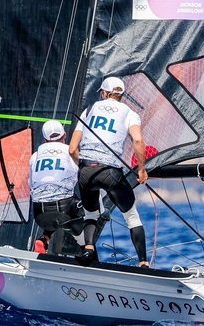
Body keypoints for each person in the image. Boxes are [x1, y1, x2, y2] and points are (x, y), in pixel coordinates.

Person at [69, 76, 149, 268]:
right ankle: (143, 262)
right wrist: (142, 169)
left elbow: (72, 149)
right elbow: (137, 141)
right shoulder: (130, 113)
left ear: (104, 94)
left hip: (86, 171)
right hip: (111, 173)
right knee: (131, 216)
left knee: (91, 214)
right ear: (121, 95)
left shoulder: (89, 110)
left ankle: (88, 249)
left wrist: (87, 166)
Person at [29, 119, 84, 254]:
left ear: (45, 140)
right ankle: (89, 253)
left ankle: (44, 238)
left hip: (39, 214)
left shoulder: (35, 156)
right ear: (65, 135)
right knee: (88, 226)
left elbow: (31, 185)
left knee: (55, 215)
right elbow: (83, 176)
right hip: (65, 209)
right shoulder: (71, 152)